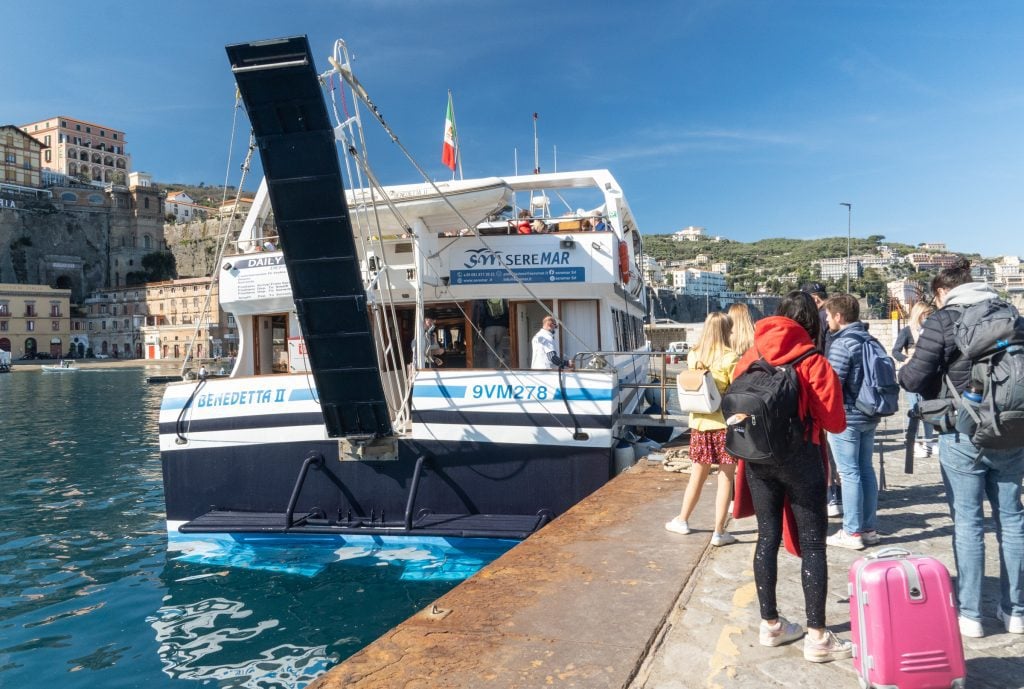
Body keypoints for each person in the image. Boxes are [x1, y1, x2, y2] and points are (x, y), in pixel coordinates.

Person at [898, 258, 1024, 638]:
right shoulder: (1010, 313)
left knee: (968, 522)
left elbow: (914, 378)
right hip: (1012, 429)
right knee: (1013, 520)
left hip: (962, 431)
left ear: (943, 291)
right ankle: (1016, 610)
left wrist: (908, 363)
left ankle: (970, 615)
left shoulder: (943, 319)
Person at [731, 290, 851, 662]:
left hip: (757, 460)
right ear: (812, 324)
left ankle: (771, 626)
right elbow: (836, 421)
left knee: (766, 538)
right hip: (801, 459)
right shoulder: (813, 361)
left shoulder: (749, 357)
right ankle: (818, 636)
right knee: (814, 545)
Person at [665, 312, 739, 545]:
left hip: (699, 424)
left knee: (697, 474)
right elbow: (737, 392)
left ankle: (682, 519)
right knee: (726, 478)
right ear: (726, 330)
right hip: (724, 424)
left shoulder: (694, 354)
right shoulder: (730, 357)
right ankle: (719, 532)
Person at [822, 293, 880, 550]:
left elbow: (832, 383)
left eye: (827, 315)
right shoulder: (870, 338)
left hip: (848, 416)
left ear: (838, 316)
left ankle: (852, 531)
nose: (825, 319)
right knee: (865, 470)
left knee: (849, 472)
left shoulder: (842, 344)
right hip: (870, 413)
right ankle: (869, 528)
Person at [800, 281, 842, 516]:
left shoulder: (820, 320)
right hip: (832, 387)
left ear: (814, 300)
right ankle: (835, 493)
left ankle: (831, 495)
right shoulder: (834, 317)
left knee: (825, 447)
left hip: (820, 388)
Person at [892, 301, 936, 458]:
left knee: (929, 408)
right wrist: (906, 359)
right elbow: (895, 351)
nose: (928, 318)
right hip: (912, 373)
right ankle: (915, 441)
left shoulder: (932, 331)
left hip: (928, 374)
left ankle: (928, 441)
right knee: (915, 408)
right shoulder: (907, 331)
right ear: (919, 314)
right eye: (925, 315)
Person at [477, 298, 509, 368]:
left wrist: (481, 325)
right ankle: (500, 365)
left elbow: (482, 313)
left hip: (489, 327)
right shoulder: (501, 299)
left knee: (490, 352)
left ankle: (493, 370)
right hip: (502, 327)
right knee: (499, 346)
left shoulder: (485, 299)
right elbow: (506, 311)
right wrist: (507, 325)